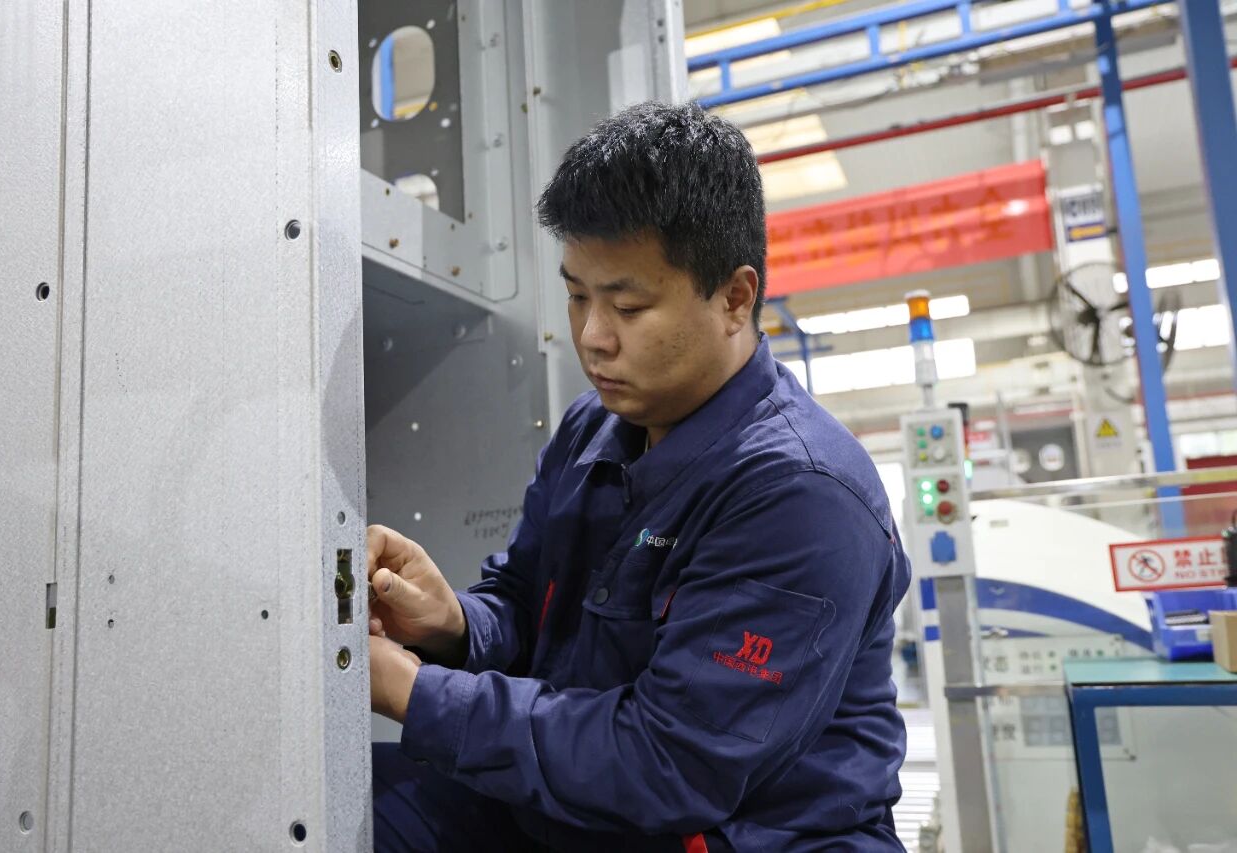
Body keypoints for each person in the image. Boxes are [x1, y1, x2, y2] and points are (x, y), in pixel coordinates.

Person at [365, 101, 910, 852]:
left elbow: (671, 763)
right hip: (581, 812)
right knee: (336, 804)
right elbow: (526, 605)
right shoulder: (594, 430)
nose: (592, 337)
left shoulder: (801, 494)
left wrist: (415, 692)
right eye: (577, 296)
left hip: (735, 833)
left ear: (735, 298)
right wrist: (454, 627)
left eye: (628, 305)